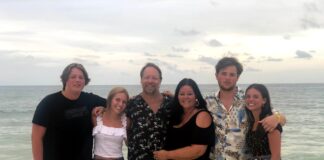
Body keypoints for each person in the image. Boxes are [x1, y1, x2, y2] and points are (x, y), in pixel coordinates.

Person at [206, 57, 286, 160]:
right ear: (216, 76)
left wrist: (277, 117)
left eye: (232, 74)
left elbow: (279, 118)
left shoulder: (248, 98)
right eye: (224, 73)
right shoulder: (208, 101)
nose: (227, 78)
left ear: (237, 77)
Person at [31, 63, 106, 160]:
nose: (77, 80)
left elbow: (114, 105)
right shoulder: (49, 103)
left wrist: (104, 109)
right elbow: (36, 137)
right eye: (73, 77)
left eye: (81, 77)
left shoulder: (90, 100)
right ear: (65, 79)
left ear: (85, 81)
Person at [153, 78, 215, 160]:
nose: (186, 97)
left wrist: (167, 155)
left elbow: (198, 151)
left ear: (196, 95)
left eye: (190, 94)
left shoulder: (202, 116)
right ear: (177, 96)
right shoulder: (177, 113)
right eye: (182, 94)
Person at [125, 62, 173, 160]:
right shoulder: (131, 104)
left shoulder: (172, 103)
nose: (150, 81)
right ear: (141, 80)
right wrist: (103, 109)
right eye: (147, 77)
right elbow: (124, 130)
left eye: (154, 78)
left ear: (160, 80)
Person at [245, 84, 282, 160]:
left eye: (255, 97)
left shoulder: (269, 123)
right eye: (248, 96)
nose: (251, 99)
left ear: (264, 100)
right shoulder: (252, 122)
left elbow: (276, 156)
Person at [92, 87, 129, 160]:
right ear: (110, 99)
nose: (120, 104)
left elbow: (130, 144)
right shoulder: (96, 116)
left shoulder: (126, 121)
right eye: (117, 100)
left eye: (124, 102)